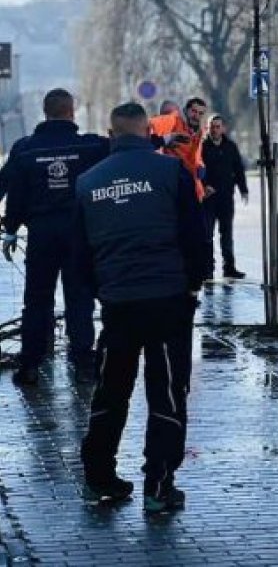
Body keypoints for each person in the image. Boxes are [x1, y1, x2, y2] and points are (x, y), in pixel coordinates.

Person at [74, 102, 206, 512]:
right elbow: (197, 239)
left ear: (110, 134)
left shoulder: (87, 183)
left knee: (110, 391)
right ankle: (159, 486)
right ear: (148, 130)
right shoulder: (170, 171)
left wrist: (102, 291)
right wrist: (191, 286)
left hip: (118, 305)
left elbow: (79, 257)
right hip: (168, 301)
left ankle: (99, 479)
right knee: (167, 393)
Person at [1, 88, 109, 385]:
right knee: (80, 297)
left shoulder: (25, 148)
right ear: (71, 112)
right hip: (79, 234)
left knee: (37, 300)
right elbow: (127, 147)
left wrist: (10, 229)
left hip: (41, 234)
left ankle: (31, 364)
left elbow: (12, 189)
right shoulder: (90, 146)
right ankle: (84, 363)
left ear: (45, 113)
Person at [201, 114, 248, 279]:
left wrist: (243, 189)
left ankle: (229, 268)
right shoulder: (202, 147)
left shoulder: (230, 147)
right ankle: (207, 270)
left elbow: (239, 169)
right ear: (207, 128)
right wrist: (204, 185)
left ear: (223, 128)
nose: (215, 129)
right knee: (207, 235)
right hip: (208, 199)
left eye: (218, 126)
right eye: (212, 126)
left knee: (227, 234)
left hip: (226, 198)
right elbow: (197, 170)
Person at [149, 97, 207, 201]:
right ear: (185, 110)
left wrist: (200, 165)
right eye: (194, 111)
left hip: (194, 190)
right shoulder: (174, 120)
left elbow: (197, 156)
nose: (197, 116)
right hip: (173, 187)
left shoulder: (199, 133)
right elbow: (144, 126)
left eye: (201, 113)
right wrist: (164, 140)